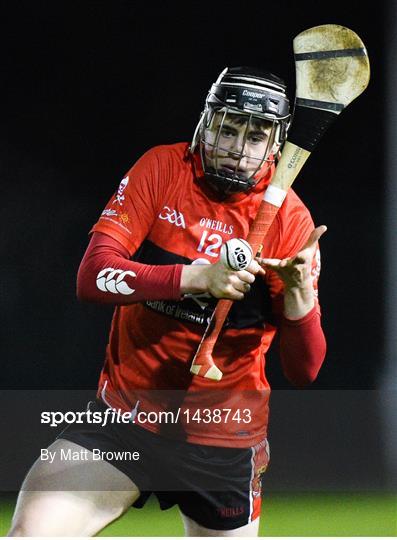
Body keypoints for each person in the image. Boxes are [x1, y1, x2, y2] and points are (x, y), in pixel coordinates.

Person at [8, 66, 327, 537]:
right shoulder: (162, 169)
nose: (239, 148)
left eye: (255, 136)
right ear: (205, 122)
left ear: (274, 149)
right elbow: (92, 277)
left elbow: (306, 371)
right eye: (229, 127)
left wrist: (300, 296)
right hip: (124, 420)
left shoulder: (291, 222)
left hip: (223, 438)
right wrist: (195, 278)